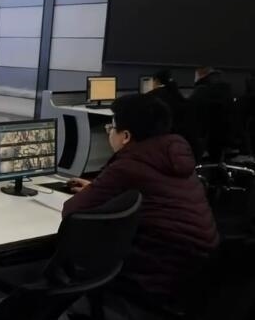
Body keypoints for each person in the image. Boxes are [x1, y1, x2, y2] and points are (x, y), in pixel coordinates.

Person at [64, 94, 218, 307]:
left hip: (155, 276)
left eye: (111, 127)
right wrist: (99, 189)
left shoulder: (128, 166)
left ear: (126, 136)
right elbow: (152, 195)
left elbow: (72, 211)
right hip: (195, 272)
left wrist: (95, 192)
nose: (109, 132)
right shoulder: (174, 158)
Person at [146, 70, 202, 161]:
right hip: (185, 146)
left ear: (156, 81)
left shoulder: (152, 97)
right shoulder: (179, 96)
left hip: (163, 147)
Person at [189, 66, 235, 162]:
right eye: (214, 76)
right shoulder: (218, 93)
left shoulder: (199, 93)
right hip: (215, 138)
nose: (217, 78)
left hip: (206, 138)